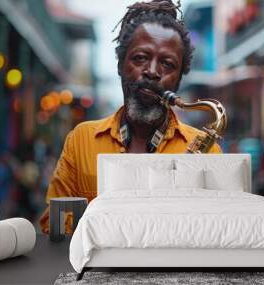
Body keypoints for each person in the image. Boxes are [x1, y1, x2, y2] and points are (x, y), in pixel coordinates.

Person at [39, 0, 222, 234]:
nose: (153, 72)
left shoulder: (208, 151)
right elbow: (52, 226)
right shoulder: (81, 140)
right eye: (140, 58)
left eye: (167, 64)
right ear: (120, 65)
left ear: (178, 79)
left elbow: (215, 230)